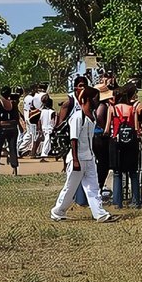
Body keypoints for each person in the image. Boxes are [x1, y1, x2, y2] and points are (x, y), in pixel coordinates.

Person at [50, 85, 118, 223]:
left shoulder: (92, 117)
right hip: (78, 158)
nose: (97, 101)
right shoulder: (77, 117)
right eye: (95, 98)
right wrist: (75, 160)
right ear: (87, 99)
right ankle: (57, 211)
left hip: (89, 158)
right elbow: (73, 139)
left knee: (93, 188)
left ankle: (100, 214)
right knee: (70, 187)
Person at [109, 86, 141, 208]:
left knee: (117, 173)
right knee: (133, 172)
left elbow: (108, 128)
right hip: (131, 143)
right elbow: (137, 128)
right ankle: (136, 201)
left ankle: (118, 202)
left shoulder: (113, 109)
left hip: (117, 144)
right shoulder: (132, 109)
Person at [0, 86, 24, 175]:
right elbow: (16, 117)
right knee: (13, 148)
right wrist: (20, 127)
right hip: (13, 128)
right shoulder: (13, 103)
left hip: (2, 128)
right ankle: (15, 170)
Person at [37, 95, 55, 162]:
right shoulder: (51, 111)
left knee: (47, 142)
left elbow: (39, 121)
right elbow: (54, 120)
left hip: (44, 128)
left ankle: (45, 153)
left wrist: (39, 129)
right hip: (49, 129)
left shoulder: (42, 111)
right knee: (47, 141)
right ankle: (43, 155)